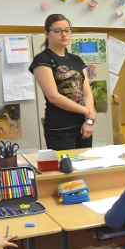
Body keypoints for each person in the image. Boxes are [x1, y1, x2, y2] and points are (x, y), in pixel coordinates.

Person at [30, 14, 97, 150]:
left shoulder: (76, 59)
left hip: (83, 125)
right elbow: (53, 97)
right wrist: (87, 111)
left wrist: (89, 121)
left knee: (85, 162)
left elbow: (87, 93)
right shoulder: (43, 59)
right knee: (65, 163)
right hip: (60, 129)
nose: (64, 34)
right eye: (57, 31)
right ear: (47, 33)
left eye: (67, 30)